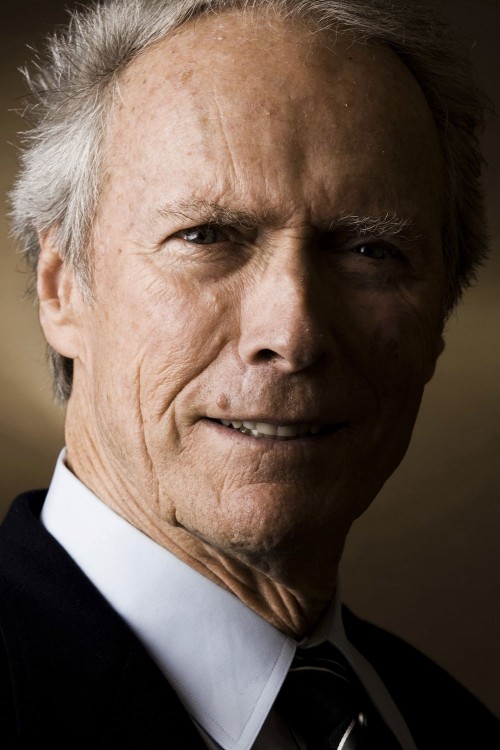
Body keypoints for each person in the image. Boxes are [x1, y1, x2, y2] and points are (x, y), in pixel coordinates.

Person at [1, 0, 498, 746]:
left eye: (369, 250)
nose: (292, 335)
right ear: (61, 287)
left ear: (440, 315)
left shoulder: (449, 724)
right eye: (206, 237)